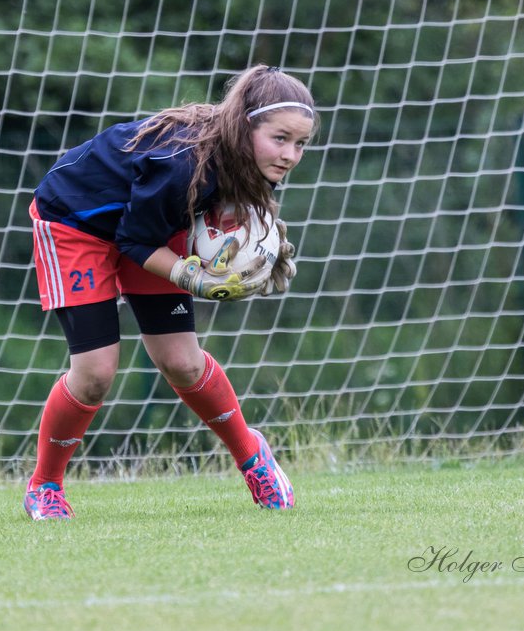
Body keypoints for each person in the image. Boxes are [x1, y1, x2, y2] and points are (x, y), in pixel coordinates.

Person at [24, 64, 317, 520]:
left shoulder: (244, 157)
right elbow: (136, 241)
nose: (291, 155)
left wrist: (262, 237)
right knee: (96, 373)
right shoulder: (180, 161)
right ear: (243, 125)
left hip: (149, 225)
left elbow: (205, 209)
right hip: (74, 223)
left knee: (182, 362)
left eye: (301, 143)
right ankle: (45, 484)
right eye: (280, 139)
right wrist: (194, 278)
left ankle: (253, 456)